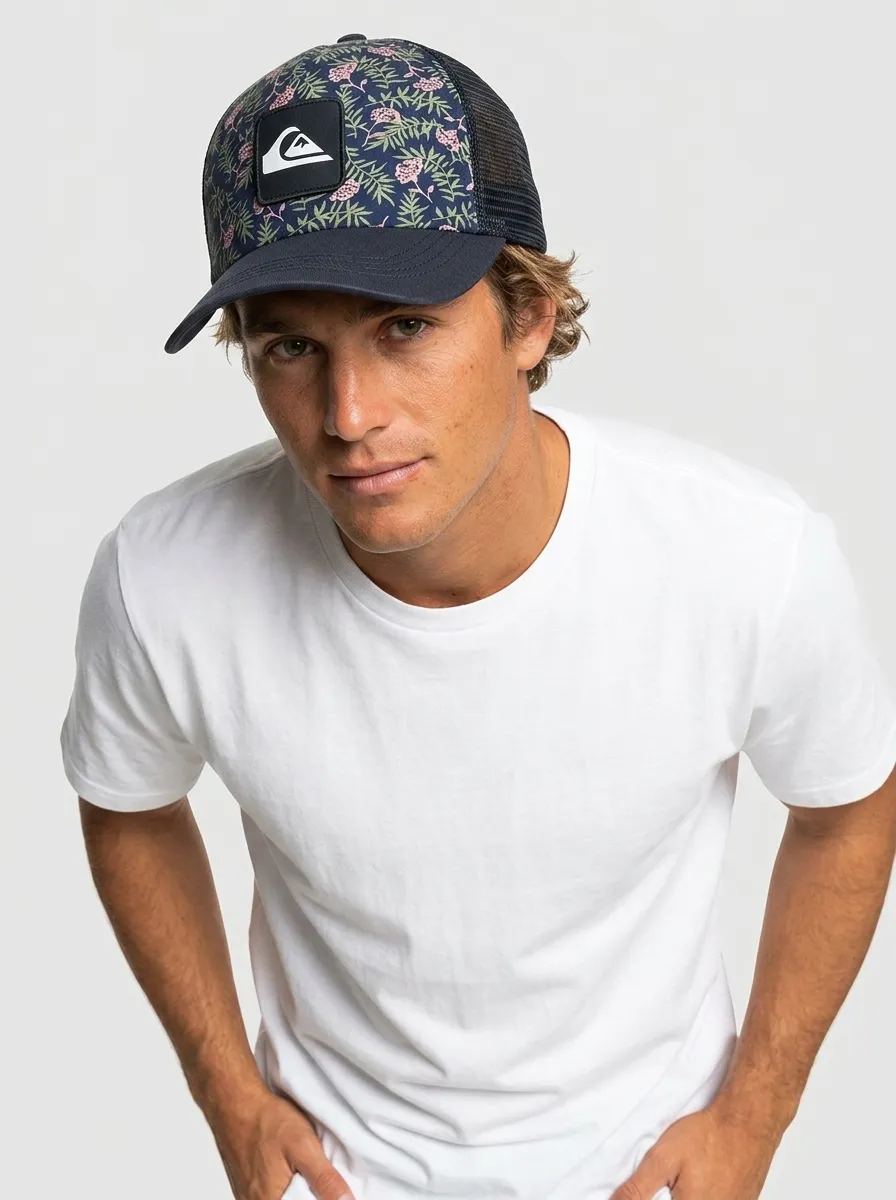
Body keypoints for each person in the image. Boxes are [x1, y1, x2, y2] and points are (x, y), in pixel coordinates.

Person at [61, 32, 896, 1200]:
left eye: (403, 327)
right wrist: (227, 1094)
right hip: (338, 1177)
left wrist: (752, 1115)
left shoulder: (744, 556)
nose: (347, 414)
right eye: (292, 346)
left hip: (641, 1171)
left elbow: (846, 806)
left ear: (527, 317)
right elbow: (128, 805)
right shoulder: (164, 576)